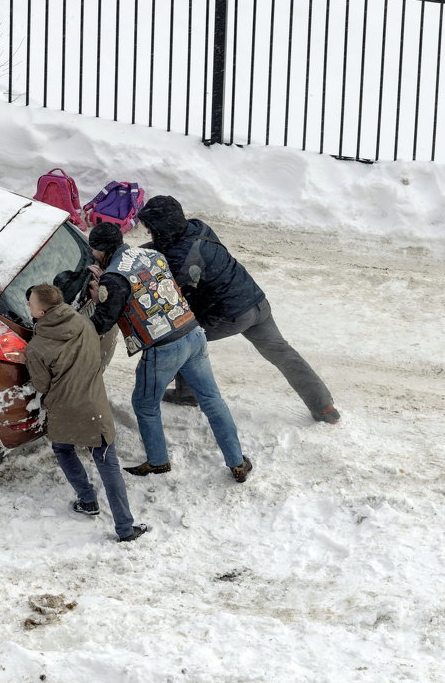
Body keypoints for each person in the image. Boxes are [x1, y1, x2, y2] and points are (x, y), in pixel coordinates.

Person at [136, 195, 340, 424]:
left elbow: (165, 283)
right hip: (256, 302)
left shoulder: (180, 257)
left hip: (232, 314)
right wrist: (133, 252)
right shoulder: (198, 227)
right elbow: (165, 247)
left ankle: (187, 394)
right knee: (282, 353)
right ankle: (324, 406)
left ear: (163, 227)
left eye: (151, 228)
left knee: (182, 334)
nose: (148, 233)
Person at [85, 222, 253, 483]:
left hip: (163, 348)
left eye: (94, 249)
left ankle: (157, 461)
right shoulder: (152, 254)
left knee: (144, 404)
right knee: (212, 400)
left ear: (101, 249)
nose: (92, 254)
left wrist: (100, 297)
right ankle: (237, 461)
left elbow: (103, 322)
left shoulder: (113, 278)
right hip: (192, 332)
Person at [25, 284, 149, 543]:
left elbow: (42, 385)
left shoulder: (37, 347)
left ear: (42, 311)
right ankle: (125, 528)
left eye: (31, 304)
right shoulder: (82, 323)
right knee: (107, 462)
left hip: (64, 408)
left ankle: (88, 499)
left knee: (63, 448)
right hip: (94, 405)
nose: (28, 306)